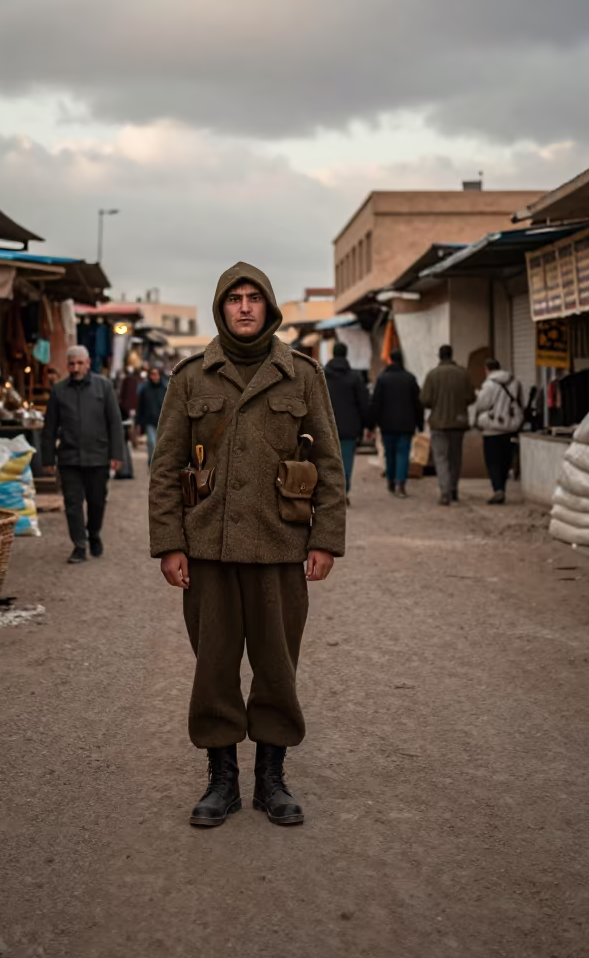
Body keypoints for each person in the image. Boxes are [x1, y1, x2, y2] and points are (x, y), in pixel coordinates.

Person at [149, 262, 346, 828]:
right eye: (233, 298)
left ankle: (271, 780)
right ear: (221, 308)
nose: (243, 307)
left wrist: (326, 539)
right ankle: (222, 782)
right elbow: (166, 467)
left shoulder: (301, 374)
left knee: (277, 666)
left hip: (280, 545)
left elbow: (329, 462)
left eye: (252, 298)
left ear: (269, 308)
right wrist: (170, 543)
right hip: (207, 548)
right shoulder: (192, 376)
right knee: (213, 668)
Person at [42, 345, 125, 563]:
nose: (76, 368)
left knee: (97, 502)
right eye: (72, 364)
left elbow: (115, 423)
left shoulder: (103, 387)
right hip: (69, 458)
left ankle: (94, 533)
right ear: (67, 366)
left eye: (80, 363)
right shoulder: (59, 391)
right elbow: (49, 427)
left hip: (98, 456)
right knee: (72, 504)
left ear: (88, 364)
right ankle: (79, 545)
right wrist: (48, 458)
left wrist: (117, 454)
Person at [421, 344, 476, 506]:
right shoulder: (463, 374)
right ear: (452, 355)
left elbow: (425, 400)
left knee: (441, 458)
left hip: (438, 423)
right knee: (455, 458)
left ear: (439, 356)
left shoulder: (432, 375)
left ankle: (445, 491)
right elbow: (471, 397)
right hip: (458, 423)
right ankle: (453, 489)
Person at [369, 348, 423, 498]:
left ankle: (391, 482)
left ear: (390, 360)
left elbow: (376, 403)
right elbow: (417, 404)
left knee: (390, 454)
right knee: (403, 454)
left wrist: (371, 424)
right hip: (406, 424)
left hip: (387, 425)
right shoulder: (410, 379)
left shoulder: (383, 379)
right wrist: (420, 424)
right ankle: (401, 484)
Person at [323, 341, 370, 502]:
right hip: (349, 427)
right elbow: (363, 403)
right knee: (346, 461)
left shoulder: (322, 375)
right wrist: (367, 424)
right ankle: (343, 492)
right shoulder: (355, 377)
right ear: (346, 354)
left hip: (326, 427)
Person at [474, 358, 524, 504]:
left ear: (487, 370)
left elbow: (481, 405)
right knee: (505, 461)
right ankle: (503, 487)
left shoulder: (489, 385)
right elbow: (520, 402)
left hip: (492, 428)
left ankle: (498, 489)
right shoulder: (515, 382)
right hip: (510, 427)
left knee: (492, 461)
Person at [136, 365, 168, 466]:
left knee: (160, 444)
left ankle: (159, 463)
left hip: (162, 421)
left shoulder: (164, 389)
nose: (154, 377)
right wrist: (138, 422)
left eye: (156, 374)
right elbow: (140, 406)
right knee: (152, 443)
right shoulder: (145, 389)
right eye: (152, 374)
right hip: (149, 421)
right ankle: (152, 463)